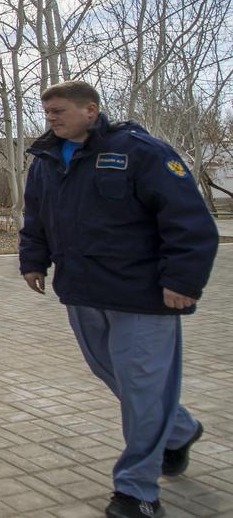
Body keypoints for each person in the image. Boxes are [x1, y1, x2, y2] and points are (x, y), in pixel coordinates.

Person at [20, 81, 217, 518]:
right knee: (118, 377)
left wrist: (183, 281)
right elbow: (36, 216)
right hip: (82, 292)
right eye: (47, 111)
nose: (51, 117)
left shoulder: (140, 151)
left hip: (142, 296)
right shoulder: (46, 160)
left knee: (143, 388)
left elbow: (189, 220)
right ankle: (179, 429)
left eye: (59, 110)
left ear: (90, 110)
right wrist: (33, 260)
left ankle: (137, 493)